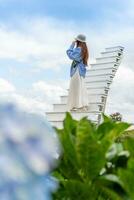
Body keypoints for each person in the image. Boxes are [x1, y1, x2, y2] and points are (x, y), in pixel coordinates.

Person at [66, 34, 89, 111]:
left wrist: (72, 45)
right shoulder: (84, 49)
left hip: (77, 70)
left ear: (78, 41)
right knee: (80, 87)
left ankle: (76, 106)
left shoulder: (79, 49)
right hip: (80, 71)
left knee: (75, 88)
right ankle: (82, 105)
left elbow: (70, 55)